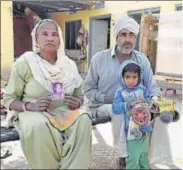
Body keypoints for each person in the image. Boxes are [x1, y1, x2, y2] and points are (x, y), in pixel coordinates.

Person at [3, 19, 92, 169]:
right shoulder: (26, 62)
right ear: (36, 40)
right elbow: (9, 99)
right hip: (35, 112)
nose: (50, 38)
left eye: (54, 34)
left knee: (83, 119)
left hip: (64, 111)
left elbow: (79, 95)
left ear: (60, 40)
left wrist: (77, 102)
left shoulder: (69, 65)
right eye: (44, 34)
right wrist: (31, 105)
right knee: (38, 126)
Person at [82, 15, 161, 168]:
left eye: (132, 35)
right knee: (119, 111)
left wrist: (155, 100)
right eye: (123, 34)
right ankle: (124, 157)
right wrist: (108, 98)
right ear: (116, 37)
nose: (128, 39)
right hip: (104, 105)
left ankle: (143, 157)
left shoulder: (142, 60)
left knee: (154, 113)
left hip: (135, 105)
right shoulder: (99, 59)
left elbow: (152, 86)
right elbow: (88, 88)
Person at [112, 60, 153, 169]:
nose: (131, 80)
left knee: (143, 155)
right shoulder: (120, 92)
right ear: (122, 77)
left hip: (145, 127)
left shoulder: (143, 89)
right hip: (131, 130)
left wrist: (146, 102)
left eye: (134, 77)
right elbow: (115, 108)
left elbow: (149, 102)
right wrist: (129, 105)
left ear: (139, 77)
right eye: (128, 77)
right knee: (133, 157)